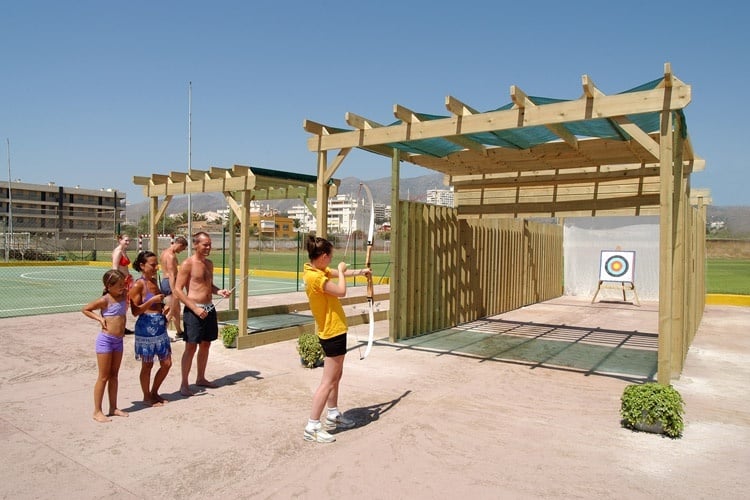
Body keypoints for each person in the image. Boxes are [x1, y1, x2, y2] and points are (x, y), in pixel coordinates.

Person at [302, 235, 370, 443]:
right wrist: (340, 271)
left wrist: (361, 272)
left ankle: (333, 414)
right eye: (330, 257)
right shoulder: (316, 278)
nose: (331, 260)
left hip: (334, 331)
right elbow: (340, 290)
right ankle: (312, 426)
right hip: (331, 333)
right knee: (328, 381)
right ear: (322, 256)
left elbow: (338, 273)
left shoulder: (315, 270)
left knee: (335, 377)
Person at [172, 232, 230, 397]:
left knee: (206, 344)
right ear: (196, 245)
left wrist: (219, 291)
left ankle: (201, 378)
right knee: (191, 347)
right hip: (194, 310)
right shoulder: (187, 264)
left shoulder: (209, 264)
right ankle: (184, 383)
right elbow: (177, 290)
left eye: (210, 244)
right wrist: (195, 308)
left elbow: (208, 285)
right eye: (205, 244)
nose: (208, 247)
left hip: (209, 309)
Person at [81, 269, 130, 423]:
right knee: (103, 376)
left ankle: (113, 407)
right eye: (119, 285)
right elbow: (86, 309)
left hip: (118, 341)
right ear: (109, 286)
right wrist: (99, 319)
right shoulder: (105, 300)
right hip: (106, 340)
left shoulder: (123, 296)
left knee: (114, 375)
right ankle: (97, 411)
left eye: (124, 284)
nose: (123, 287)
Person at [129, 251, 172, 407]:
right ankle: (147, 396)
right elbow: (135, 311)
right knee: (147, 365)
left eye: (156, 265)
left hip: (160, 326)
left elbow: (158, 303)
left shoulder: (154, 281)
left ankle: (154, 391)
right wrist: (152, 301)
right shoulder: (138, 285)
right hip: (146, 328)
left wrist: (163, 307)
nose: (156, 267)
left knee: (166, 363)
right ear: (142, 265)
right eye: (152, 265)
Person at [159, 236, 189, 341]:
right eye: (183, 248)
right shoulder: (171, 256)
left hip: (165, 281)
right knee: (170, 310)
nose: (182, 251)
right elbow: (172, 275)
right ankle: (162, 333)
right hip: (170, 283)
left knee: (176, 309)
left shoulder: (164, 253)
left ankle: (179, 332)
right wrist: (174, 290)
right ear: (180, 245)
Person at [112, 234, 134, 335]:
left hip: (127, 280)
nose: (128, 243)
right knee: (120, 305)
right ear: (120, 240)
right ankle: (118, 326)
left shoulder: (123, 251)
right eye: (126, 241)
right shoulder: (118, 252)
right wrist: (117, 283)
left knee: (125, 305)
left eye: (129, 241)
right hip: (121, 281)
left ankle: (122, 326)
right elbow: (115, 269)